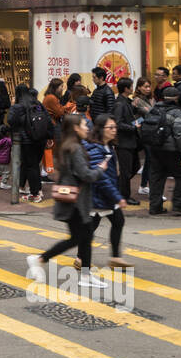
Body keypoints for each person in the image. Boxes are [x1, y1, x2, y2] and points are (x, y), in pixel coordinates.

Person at [27, 114, 112, 288]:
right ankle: (40, 259)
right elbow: (85, 175)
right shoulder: (75, 148)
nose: (87, 127)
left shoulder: (68, 146)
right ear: (75, 128)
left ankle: (43, 260)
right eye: (84, 125)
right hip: (76, 202)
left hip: (73, 200)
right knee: (81, 237)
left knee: (82, 237)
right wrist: (100, 169)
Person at [84, 114, 131, 268]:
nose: (114, 130)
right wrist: (117, 197)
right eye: (110, 127)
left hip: (106, 194)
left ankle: (115, 258)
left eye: (115, 127)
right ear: (100, 129)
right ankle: (81, 258)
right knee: (91, 227)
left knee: (117, 221)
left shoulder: (107, 146)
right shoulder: (95, 148)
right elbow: (101, 178)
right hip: (98, 195)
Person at [144, 86, 181, 216]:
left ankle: (155, 206)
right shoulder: (177, 112)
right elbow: (179, 134)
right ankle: (179, 205)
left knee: (156, 177)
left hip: (155, 148)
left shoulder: (154, 108)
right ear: (176, 97)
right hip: (172, 150)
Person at [8, 86, 47, 202]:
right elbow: (47, 119)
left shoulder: (18, 106)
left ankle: (35, 194)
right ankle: (38, 191)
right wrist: (49, 136)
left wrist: (12, 106)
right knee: (35, 166)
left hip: (26, 141)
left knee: (30, 167)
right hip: (40, 139)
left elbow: (11, 121)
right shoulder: (37, 104)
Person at [111, 77, 141, 205]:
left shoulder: (127, 102)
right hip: (124, 142)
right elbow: (118, 123)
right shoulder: (119, 103)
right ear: (126, 88)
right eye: (131, 86)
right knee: (126, 170)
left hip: (130, 141)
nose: (133, 88)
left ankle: (116, 187)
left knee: (135, 166)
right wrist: (133, 127)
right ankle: (124, 196)